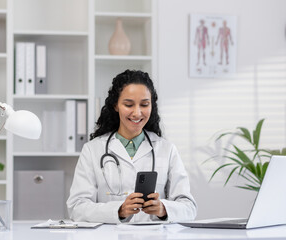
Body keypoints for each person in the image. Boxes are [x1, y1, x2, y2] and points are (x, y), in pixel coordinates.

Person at [67, 70, 197, 223]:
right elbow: (76, 207)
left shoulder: (167, 150)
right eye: (129, 104)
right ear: (116, 105)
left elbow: (189, 208)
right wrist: (119, 211)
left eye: (144, 104)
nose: (137, 113)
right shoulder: (92, 150)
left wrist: (163, 209)